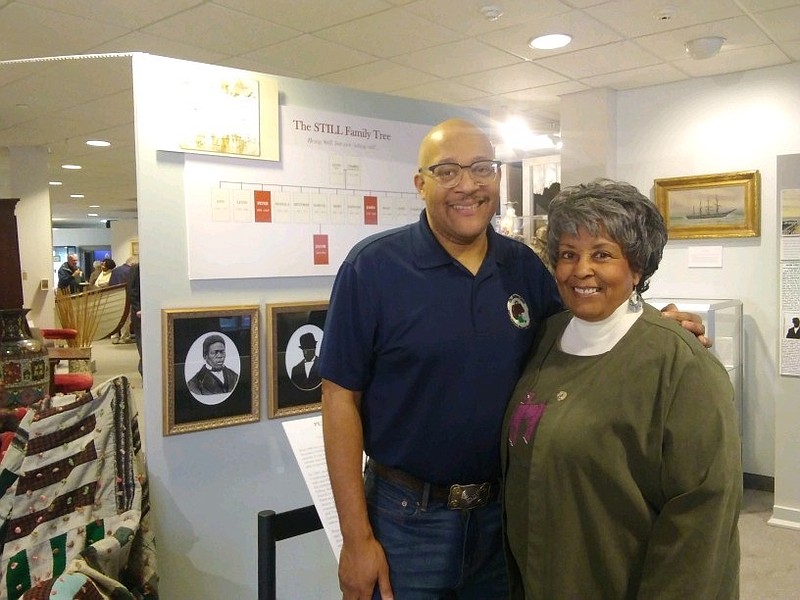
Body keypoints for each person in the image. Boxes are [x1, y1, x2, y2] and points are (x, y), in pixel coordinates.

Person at [319, 119, 710, 600]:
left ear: (498, 177)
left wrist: (650, 325)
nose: (467, 184)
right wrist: (356, 539)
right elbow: (339, 398)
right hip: (406, 521)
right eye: (447, 171)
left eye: (482, 168)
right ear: (420, 184)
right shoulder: (374, 267)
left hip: (505, 513)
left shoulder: (524, 266)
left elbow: (582, 324)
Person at [502, 179, 742, 599]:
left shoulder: (680, 364)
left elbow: (701, 521)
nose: (581, 270)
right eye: (568, 255)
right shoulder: (546, 338)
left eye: (602, 254)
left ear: (637, 267)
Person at [128, 262, 142, 376]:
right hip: (140, 314)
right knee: (143, 346)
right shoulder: (136, 268)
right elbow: (132, 291)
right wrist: (138, 309)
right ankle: (145, 375)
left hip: (153, 313)